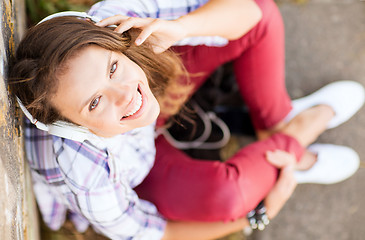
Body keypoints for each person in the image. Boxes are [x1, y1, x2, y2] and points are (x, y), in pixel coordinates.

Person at [9, 0, 364, 239]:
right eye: (94, 102)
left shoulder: (115, 20)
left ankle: (281, 131)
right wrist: (259, 213)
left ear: (113, 45)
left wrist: (181, 28)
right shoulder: (83, 170)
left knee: (261, 15)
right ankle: (298, 134)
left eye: (113, 67)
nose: (124, 94)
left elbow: (251, 13)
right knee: (228, 196)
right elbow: (152, 233)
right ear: (74, 127)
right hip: (140, 167)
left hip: (158, 95)